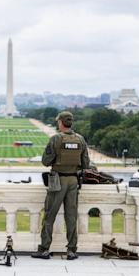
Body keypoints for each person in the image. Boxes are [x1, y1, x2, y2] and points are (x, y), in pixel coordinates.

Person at [32, 111, 89, 260]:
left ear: (60, 123)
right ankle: (71, 250)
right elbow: (86, 164)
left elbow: (45, 161)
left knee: (49, 216)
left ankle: (44, 249)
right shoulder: (80, 140)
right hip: (73, 181)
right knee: (71, 217)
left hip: (58, 181)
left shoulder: (56, 139)